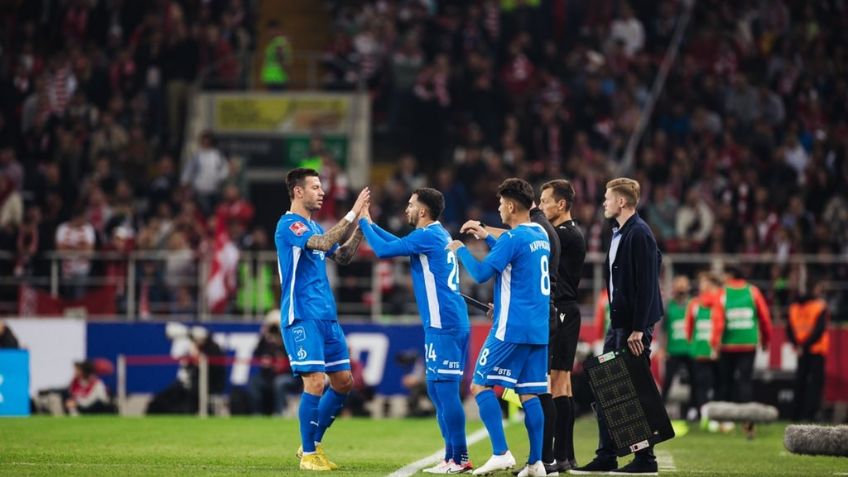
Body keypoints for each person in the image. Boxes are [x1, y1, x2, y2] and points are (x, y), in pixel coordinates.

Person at [359, 187, 472, 474]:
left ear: (423, 211)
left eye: (410, 205)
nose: (406, 209)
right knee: (435, 391)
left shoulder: (428, 235)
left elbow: (384, 250)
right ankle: (450, 457)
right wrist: (370, 224)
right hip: (441, 324)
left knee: (445, 392)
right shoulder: (433, 235)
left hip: (445, 323)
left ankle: (460, 457)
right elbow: (397, 243)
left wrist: (362, 222)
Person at [450, 178, 551, 477]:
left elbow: (481, 273)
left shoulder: (513, 237)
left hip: (511, 327)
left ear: (509, 205)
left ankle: (500, 453)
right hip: (538, 328)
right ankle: (536, 462)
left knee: (479, 384)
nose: (498, 209)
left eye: (499, 204)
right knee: (530, 394)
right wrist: (487, 237)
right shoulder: (539, 234)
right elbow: (517, 260)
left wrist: (460, 249)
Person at [276, 167, 369, 471]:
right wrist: (353, 213)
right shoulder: (289, 225)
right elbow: (322, 245)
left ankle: (311, 445)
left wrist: (363, 227)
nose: (322, 192)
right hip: (302, 314)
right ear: (298, 191)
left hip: (326, 316)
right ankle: (308, 454)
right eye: (316, 187)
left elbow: (340, 255)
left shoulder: (315, 228)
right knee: (315, 381)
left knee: (343, 382)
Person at [572, 177, 663, 476]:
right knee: (606, 390)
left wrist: (639, 327)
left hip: (632, 328)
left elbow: (649, 283)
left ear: (622, 202)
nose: (604, 202)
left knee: (632, 391)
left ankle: (645, 459)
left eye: (608, 198)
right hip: (619, 325)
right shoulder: (621, 232)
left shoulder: (639, 233)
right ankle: (607, 454)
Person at [537, 179, 586, 472]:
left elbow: (522, 236)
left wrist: (485, 232)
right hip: (566, 311)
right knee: (562, 385)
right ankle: (565, 456)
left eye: (545, 201)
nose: (541, 207)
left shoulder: (564, 235)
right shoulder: (566, 234)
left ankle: (554, 456)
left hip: (562, 312)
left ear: (561, 204)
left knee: (554, 384)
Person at [714, 266, 772, 404]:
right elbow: (764, 318)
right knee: (745, 382)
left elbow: (718, 322)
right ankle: (747, 424)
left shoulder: (722, 293)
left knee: (726, 383)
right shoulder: (753, 292)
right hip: (748, 344)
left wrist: (715, 344)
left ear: (731, 275)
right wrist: (765, 340)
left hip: (727, 345)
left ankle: (726, 422)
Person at [787, 279, 830, 422]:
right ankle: (811, 415)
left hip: (805, 350)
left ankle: (797, 415)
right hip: (815, 349)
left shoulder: (793, 307)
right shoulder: (819, 306)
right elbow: (819, 330)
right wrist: (803, 346)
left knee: (801, 382)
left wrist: (799, 346)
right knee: (813, 384)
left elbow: (790, 330)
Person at [684, 272, 724, 421]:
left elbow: (688, 328)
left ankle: (705, 416)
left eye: (703, 282)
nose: (701, 286)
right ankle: (711, 417)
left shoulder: (696, 303)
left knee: (704, 385)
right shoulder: (718, 301)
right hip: (712, 350)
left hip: (702, 349)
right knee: (715, 385)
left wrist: (692, 343)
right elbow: (688, 326)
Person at [247, 314, 295, 415]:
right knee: (255, 382)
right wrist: (264, 335)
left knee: (279, 382)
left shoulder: (288, 340)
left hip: (287, 375)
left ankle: (278, 412)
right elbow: (256, 353)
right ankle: (257, 413)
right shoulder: (266, 342)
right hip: (268, 376)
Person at [661, 276, 694, 419]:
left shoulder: (693, 304)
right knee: (667, 382)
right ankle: (660, 412)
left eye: (683, 285)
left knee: (695, 382)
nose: (681, 288)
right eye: (678, 285)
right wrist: (663, 349)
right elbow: (664, 330)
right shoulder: (669, 306)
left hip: (690, 350)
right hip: (673, 350)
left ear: (688, 287)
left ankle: (693, 412)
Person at [261, 21, 292, 90]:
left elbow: (281, 56)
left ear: (276, 30)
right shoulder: (274, 42)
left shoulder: (279, 42)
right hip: (273, 77)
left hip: (277, 78)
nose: (268, 33)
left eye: (270, 30)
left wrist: (287, 71)